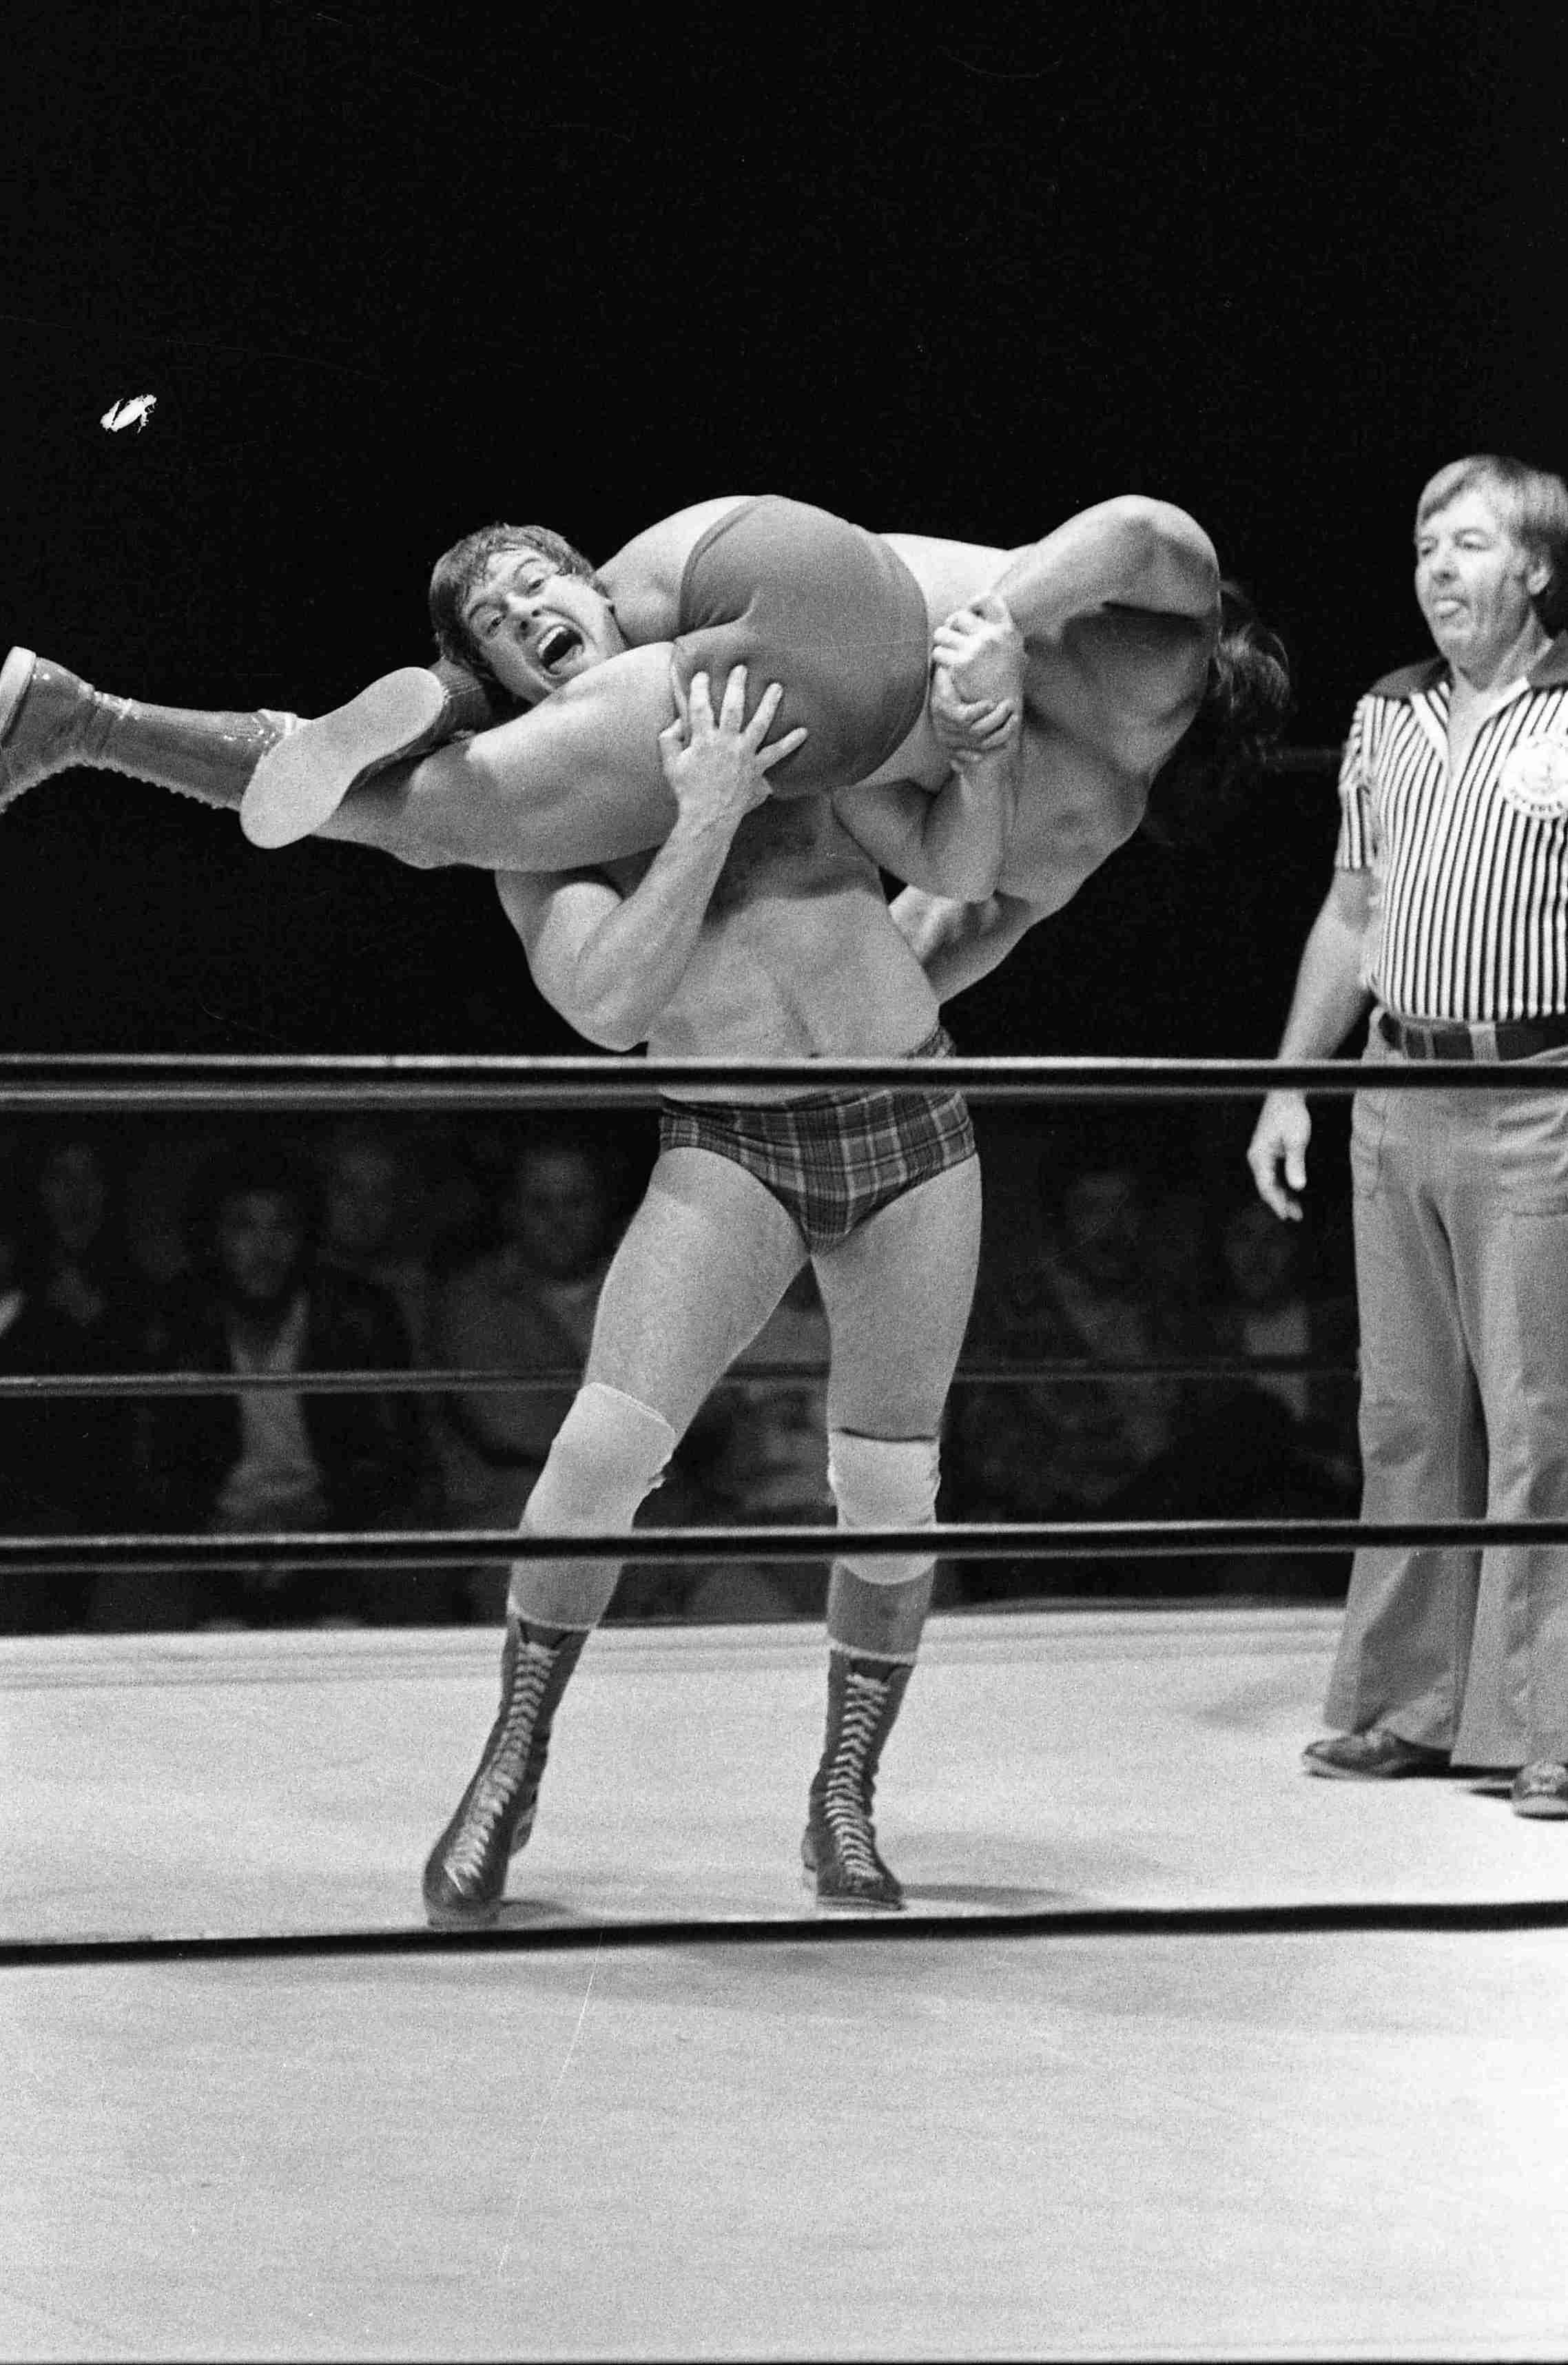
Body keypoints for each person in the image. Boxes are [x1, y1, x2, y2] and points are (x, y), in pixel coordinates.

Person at [420, 659, 998, 1923]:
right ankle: (507, 1767)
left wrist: (983, 741)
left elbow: (960, 866)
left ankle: (843, 1796)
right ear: (497, 678)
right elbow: (611, 1007)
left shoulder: (773, 699)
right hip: (730, 1141)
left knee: (892, 1482)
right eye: (501, 621)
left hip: (907, 1118)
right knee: (604, 1445)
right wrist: (704, 810)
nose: (534, 620)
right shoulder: (540, 829)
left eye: (543, 587)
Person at [0, 493, 1286, 910]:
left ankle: (473, 667)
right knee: (437, 819)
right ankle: (84, 720)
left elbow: (940, 877)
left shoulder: (1147, 676)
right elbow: (1143, 528)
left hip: (786, 553)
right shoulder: (1103, 806)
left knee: (591, 618)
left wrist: (988, 720)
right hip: (854, 670)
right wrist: (994, 636)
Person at [1245, 453, 1568, 1819]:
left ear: (1536, 569)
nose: (1439, 565)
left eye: (1472, 542)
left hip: (1538, 1095)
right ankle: (1404, 1703)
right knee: (1406, 1415)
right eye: (1427, 541)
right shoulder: (1386, 715)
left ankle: (1550, 1723)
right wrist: (1284, 1082)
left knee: (1543, 1422)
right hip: (1395, 1091)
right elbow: (1351, 909)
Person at [100, 1139, 441, 1630]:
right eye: (243, 1226)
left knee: (411, 1573)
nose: (265, 1248)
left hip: (332, 1526)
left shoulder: (360, 1312)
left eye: (283, 1225)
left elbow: (393, 1457)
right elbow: (142, 1467)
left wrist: (314, 1522)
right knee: (132, 1591)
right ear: (213, 1237)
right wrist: (217, 1530)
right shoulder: (170, 1319)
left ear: (307, 1235)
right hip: (207, 1531)